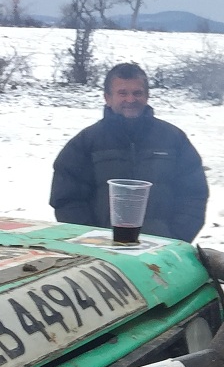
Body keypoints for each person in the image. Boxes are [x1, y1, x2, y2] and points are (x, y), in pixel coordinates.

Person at [50, 62, 208, 241]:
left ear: (147, 96)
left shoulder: (174, 139)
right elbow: (66, 199)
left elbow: (194, 195)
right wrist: (91, 239)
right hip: (101, 248)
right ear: (107, 98)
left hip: (162, 247)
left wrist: (174, 238)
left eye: (137, 93)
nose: (131, 99)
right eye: (122, 93)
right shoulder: (85, 143)